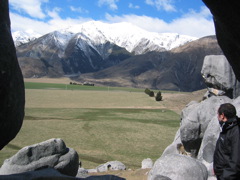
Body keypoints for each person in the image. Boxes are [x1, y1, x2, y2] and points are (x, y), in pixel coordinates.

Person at [213, 103, 240, 180]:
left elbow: (236, 160)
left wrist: (225, 176)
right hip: (223, 174)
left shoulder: (235, 131)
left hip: (229, 177)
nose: (217, 117)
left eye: (218, 114)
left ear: (222, 116)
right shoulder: (227, 128)